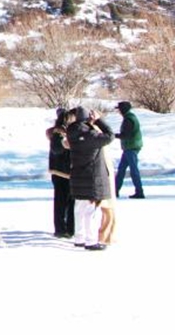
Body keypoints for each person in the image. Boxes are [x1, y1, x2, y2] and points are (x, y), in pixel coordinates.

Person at [65, 106, 114, 251]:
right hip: (92, 177)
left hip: (78, 175)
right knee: (91, 211)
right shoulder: (91, 135)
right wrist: (98, 121)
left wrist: (90, 123)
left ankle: (79, 238)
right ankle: (91, 240)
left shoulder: (71, 132)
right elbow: (110, 135)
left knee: (79, 208)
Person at [47, 108, 74, 238]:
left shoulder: (60, 133)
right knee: (61, 201)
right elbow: (57, 149)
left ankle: (69, 227)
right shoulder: (57, 134)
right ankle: (61, 228)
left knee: (70, 201)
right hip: (61, 172)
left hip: (66, 171)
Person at [114, 100, 145, 198]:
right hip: (130, 147)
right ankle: (115, 190)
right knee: (121, 170)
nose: (118, 111)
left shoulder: (128, 119)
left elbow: (125, 135)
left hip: (131, 147)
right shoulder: (130, 117)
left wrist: (113, 135)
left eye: (119, 109)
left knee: (133, 170)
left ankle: (139, 192)